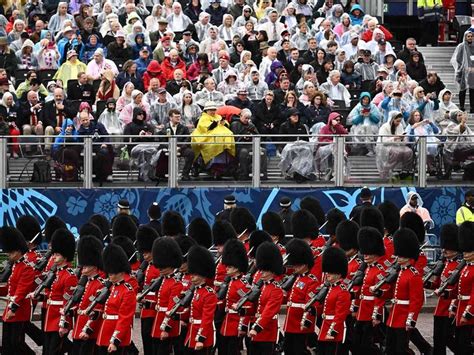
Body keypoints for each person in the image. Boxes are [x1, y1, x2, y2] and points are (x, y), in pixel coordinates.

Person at [385, 228, 424, 355]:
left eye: (401, 255)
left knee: (402, 350)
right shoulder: (400, 272)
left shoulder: (414, 275)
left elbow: (416, 300)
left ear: (408, 256)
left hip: (403, 316)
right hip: (394, 316)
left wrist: (411, 319)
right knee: (390, 348)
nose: (398, 257)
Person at [39, 228, 78, 354]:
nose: (54, 256)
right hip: (50, 318)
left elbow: (68, 302)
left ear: (65, 255)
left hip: (58, 320)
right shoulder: (56, 273)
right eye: (54, 253)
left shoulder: (70, 276)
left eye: (57, 254)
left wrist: (64, 323)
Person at [423, 223, 459, 355]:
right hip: (440, 308)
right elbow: (437, 284)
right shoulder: (445, 264)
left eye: (448, 248)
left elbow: (458, 289)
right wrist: (427, 284)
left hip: (450, 307)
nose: (445, 250)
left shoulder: (458, 266)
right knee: (438, 340)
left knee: (448, 338)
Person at [352, 226, 389, 354]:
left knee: (368, 344)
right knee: (358, 343)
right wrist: (355, 307)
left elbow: (380, 296)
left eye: (368, 253)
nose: (365, 255)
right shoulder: (367, 269)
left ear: (376, 252)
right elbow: (360, 292)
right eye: (364, 252)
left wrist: (376, 314)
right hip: (362, 310)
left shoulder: (379, 270)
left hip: (370, 311)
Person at [0, 227, 36, 354]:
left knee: (17, 342)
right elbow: (10, 287)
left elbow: (22, 290)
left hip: (19, 310)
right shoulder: (16, 266)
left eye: (10, 253)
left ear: (18, 251)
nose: (8, 255)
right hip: (10, 309)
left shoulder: (27, 268)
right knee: (6, 344)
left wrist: (12, 308)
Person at [96, 243, 137, 354]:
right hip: (105, 332)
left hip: (117, 337)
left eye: (112, 272)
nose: (109, 275)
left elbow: (124, 318)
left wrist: (115, 340)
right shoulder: (112, 287)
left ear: (121, 271)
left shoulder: (127, 291)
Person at [246, 241, 284, 353]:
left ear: (272, 270)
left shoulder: (276, 289)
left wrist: (257, 327)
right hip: (254, 329)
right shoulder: (261, 286)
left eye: (264, 269)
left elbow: (269, 311)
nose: (261, 272)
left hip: (267, 331)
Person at [283, 238, 319, 354]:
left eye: (298, 265)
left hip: (299, 323)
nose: (295, 267)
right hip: (290, 322)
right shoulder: (296, 278)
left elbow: (311, 304)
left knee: (299, 350)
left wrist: (306, 322)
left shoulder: (311, 281)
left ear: (305, 264)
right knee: (288, 349)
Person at [71, 236, 105, 354]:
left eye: (86, 264)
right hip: (79, 326)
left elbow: (97, 310)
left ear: (94, 266)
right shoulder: (85, 282)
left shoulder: (100, 285)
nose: (82, 266)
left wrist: (88, 330)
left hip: (89, 332)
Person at [217, 239, 249, 354]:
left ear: (236, 268)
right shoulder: (231, 282)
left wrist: (243, 325)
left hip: (235, 322)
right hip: (227, 320)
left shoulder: (242, 285)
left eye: (229, 267)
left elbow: (246, 305)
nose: (226, 269)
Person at [185, 245, 218, 353]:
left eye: (195, 274)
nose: (191, 276)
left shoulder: (209, 294)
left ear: (203, 274)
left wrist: (201, 338)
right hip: (191, 332)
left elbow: (207, 318)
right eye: (191, 273)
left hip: (203, 335)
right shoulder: (196, 291)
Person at [453, 221, 474, 354]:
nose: (465, 254)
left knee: (466, 345)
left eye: (469, 251)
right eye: (464, 251)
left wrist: (468, 313)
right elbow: (459, 290)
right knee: (460, 345)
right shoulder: (466, 267)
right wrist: (453, 307)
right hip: (461, 308)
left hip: (470, 312)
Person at [157, 109, 195, 181]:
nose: (178, 118)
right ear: (170, 118)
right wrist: (171, 147)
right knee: (162, 152)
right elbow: (162, 141)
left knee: (191, 153)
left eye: (179, 117)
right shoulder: (164, 128)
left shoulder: (184, 128)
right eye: (176, 117)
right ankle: (162, 175)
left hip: (180, 148)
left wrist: (179, 148)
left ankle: (185, 174)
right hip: (168, 148)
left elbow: (187, 140)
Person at [230, 108, 267, 180]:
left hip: (252, 145)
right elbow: (234, 137)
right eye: (245, 118)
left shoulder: (251, 125)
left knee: (263, 151)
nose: (247, 120)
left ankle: (262, 174)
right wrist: (243, 137)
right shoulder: (235, 124)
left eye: (248, 118)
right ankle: (243, 174)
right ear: (240, 116)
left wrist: (251, 136)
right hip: (240, 146)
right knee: (244, 152)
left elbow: (258, 136)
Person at [376, 111, 414, 180]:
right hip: (385, 146)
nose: (398, 123)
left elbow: (403, 138)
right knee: (396, 152)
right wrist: (395, 138)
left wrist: (402, 139)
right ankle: (386, 171)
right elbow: (383, 141)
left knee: (409, 152)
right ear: (392, 119)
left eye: (400, 121)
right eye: (397, 121)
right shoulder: (384, 127)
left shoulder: (400, 126)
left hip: (398, 145)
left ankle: (405, 171)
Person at [348, 92, 381, 156]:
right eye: (364, 99)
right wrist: (360, 116)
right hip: (359, 127)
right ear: (361, 99)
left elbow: (377, 119)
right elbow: (353, 120)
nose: (365, 101)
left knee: (368, 129)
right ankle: (371, 149)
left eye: (367, 99)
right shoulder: (358, 107)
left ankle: (371, 149)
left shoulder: (373, 107)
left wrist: (371, 115)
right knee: (364, 129)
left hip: (372, 126)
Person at [452, 28, 474, 113]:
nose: (470, 38)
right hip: (463, 71)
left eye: (471, 36)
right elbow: (458, 58)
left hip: (472, 72)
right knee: (462, 89)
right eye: (468, 36)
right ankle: (461, 106)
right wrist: (464, 67)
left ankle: (472, 107)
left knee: (472, 90)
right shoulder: (461, 46)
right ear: (465, 37)